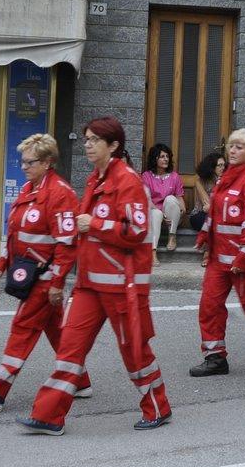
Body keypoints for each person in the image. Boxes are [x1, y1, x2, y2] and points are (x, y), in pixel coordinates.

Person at [20, 117, 171, 435]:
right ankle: (48, 416)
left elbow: (138, 231)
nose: (87, 145)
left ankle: (157, 407)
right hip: (90, 285)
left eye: (93, 140)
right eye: (86, 139)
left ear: (113, 145)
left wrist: (95, 225)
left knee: (135, 352)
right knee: (70, 349)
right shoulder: (94, 180)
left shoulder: (128, 182)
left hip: (122, 287)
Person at [0, 134, 86, 412]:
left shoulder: (60, 193)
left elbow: (67, 245)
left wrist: (57, 283)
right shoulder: (29, 189)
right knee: (57, 331)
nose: (23, 166)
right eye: (22, 161)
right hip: (30, 275)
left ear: (47, 163)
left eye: (29, 162)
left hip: (43, 280)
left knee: (22, 330)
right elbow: (14, 234)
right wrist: (1, 264)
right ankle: (80, 380)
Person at [190, 128, 245, 377]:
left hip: (242, 261)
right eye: (232, 146)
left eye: (240, 146)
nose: (233, 150)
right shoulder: (227, 177)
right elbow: (214, 212)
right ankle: (215, 358)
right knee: (209, 305)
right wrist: (205, 237)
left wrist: (243, 256)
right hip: (219, 259)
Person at [143, 143, 185, 252]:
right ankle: (152, 253)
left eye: (167, 156)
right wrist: (161, 213)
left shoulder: (174, 176)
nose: (166, 159)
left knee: (170, 199)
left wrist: (182, 209)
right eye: (162, 157)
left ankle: (172, 236)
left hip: (171, 214)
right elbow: (146, 199)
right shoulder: (146, 176)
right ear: (154, 159)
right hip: (154, 212)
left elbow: (179, 197)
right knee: (156, 213)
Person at [187, 149, 225, 238]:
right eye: (219, 165)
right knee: (212, 222)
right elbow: (207, 206)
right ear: (211, 167)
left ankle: (208, 249)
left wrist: (220, 181)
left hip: (217, 215)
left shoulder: (225, 181)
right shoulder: (200, 182)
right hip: (199, 215)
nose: (223, 168)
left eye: (224, 165)